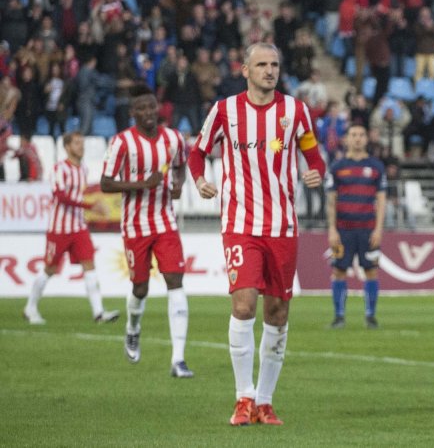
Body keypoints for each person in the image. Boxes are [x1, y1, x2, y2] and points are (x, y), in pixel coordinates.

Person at [189, 43, 326, 427]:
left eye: (274, 65)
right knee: (244, 306)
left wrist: (316, 172)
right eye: (262, 64)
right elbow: (197, 153)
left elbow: (313, 156)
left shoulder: (295, 112)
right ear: (245, 70)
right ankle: (243, 398)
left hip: (282, 226)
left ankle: (265, 402)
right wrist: (199, 180)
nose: (270, 70)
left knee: (278, 313)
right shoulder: (224, 111)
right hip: (239, 224)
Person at [99, 85, 191, 378]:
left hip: (165, 222)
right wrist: (143, 185)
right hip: (135, 225)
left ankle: (178, 360)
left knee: (175, 281)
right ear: (132, 113)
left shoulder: (173, 138)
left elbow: (181, 166)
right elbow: (106, 183)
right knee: (140, 287)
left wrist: (177, 186)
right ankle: (132, 328)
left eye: (152, 107)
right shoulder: (122, 142)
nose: (149, 113)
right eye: (142, 108)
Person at [23, 131, 120, 325]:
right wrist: (91, 206)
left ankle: (99, 313)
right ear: (67, 147)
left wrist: (90, 208)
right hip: (59, 229)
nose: (81, 147)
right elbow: (61, 196)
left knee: (89, 265)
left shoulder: (82, 169)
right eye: (77, 143)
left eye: (82, 143)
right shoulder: (60, 169)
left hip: (78, 227)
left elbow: (77, 196)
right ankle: (30, 307)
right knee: (49, 269)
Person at [326, 123, 387, 329]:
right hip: (342, 230)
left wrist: (379, 229)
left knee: (371, 271)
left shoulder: (376, 167)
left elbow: (381, 200)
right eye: (354, 134)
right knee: (338, 271)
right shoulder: (337, 167)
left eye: (361, 134)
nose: (358, 138)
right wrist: (332, 229)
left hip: (368, 229)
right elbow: (331, 201)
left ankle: (370, 316)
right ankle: (339, 316)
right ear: (347, 139)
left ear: (366, 139)